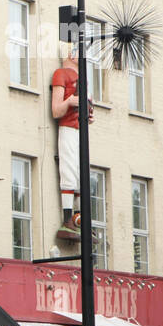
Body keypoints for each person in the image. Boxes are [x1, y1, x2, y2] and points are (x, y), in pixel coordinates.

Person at [50, 47, 94, 241]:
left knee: (79, 173)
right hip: (68, 129)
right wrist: (70, 102)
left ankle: (78, 216)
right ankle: (68, 218)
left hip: (79, 131)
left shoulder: (82, 78)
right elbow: (56, 110)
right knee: (68, 170)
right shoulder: (61, 74)